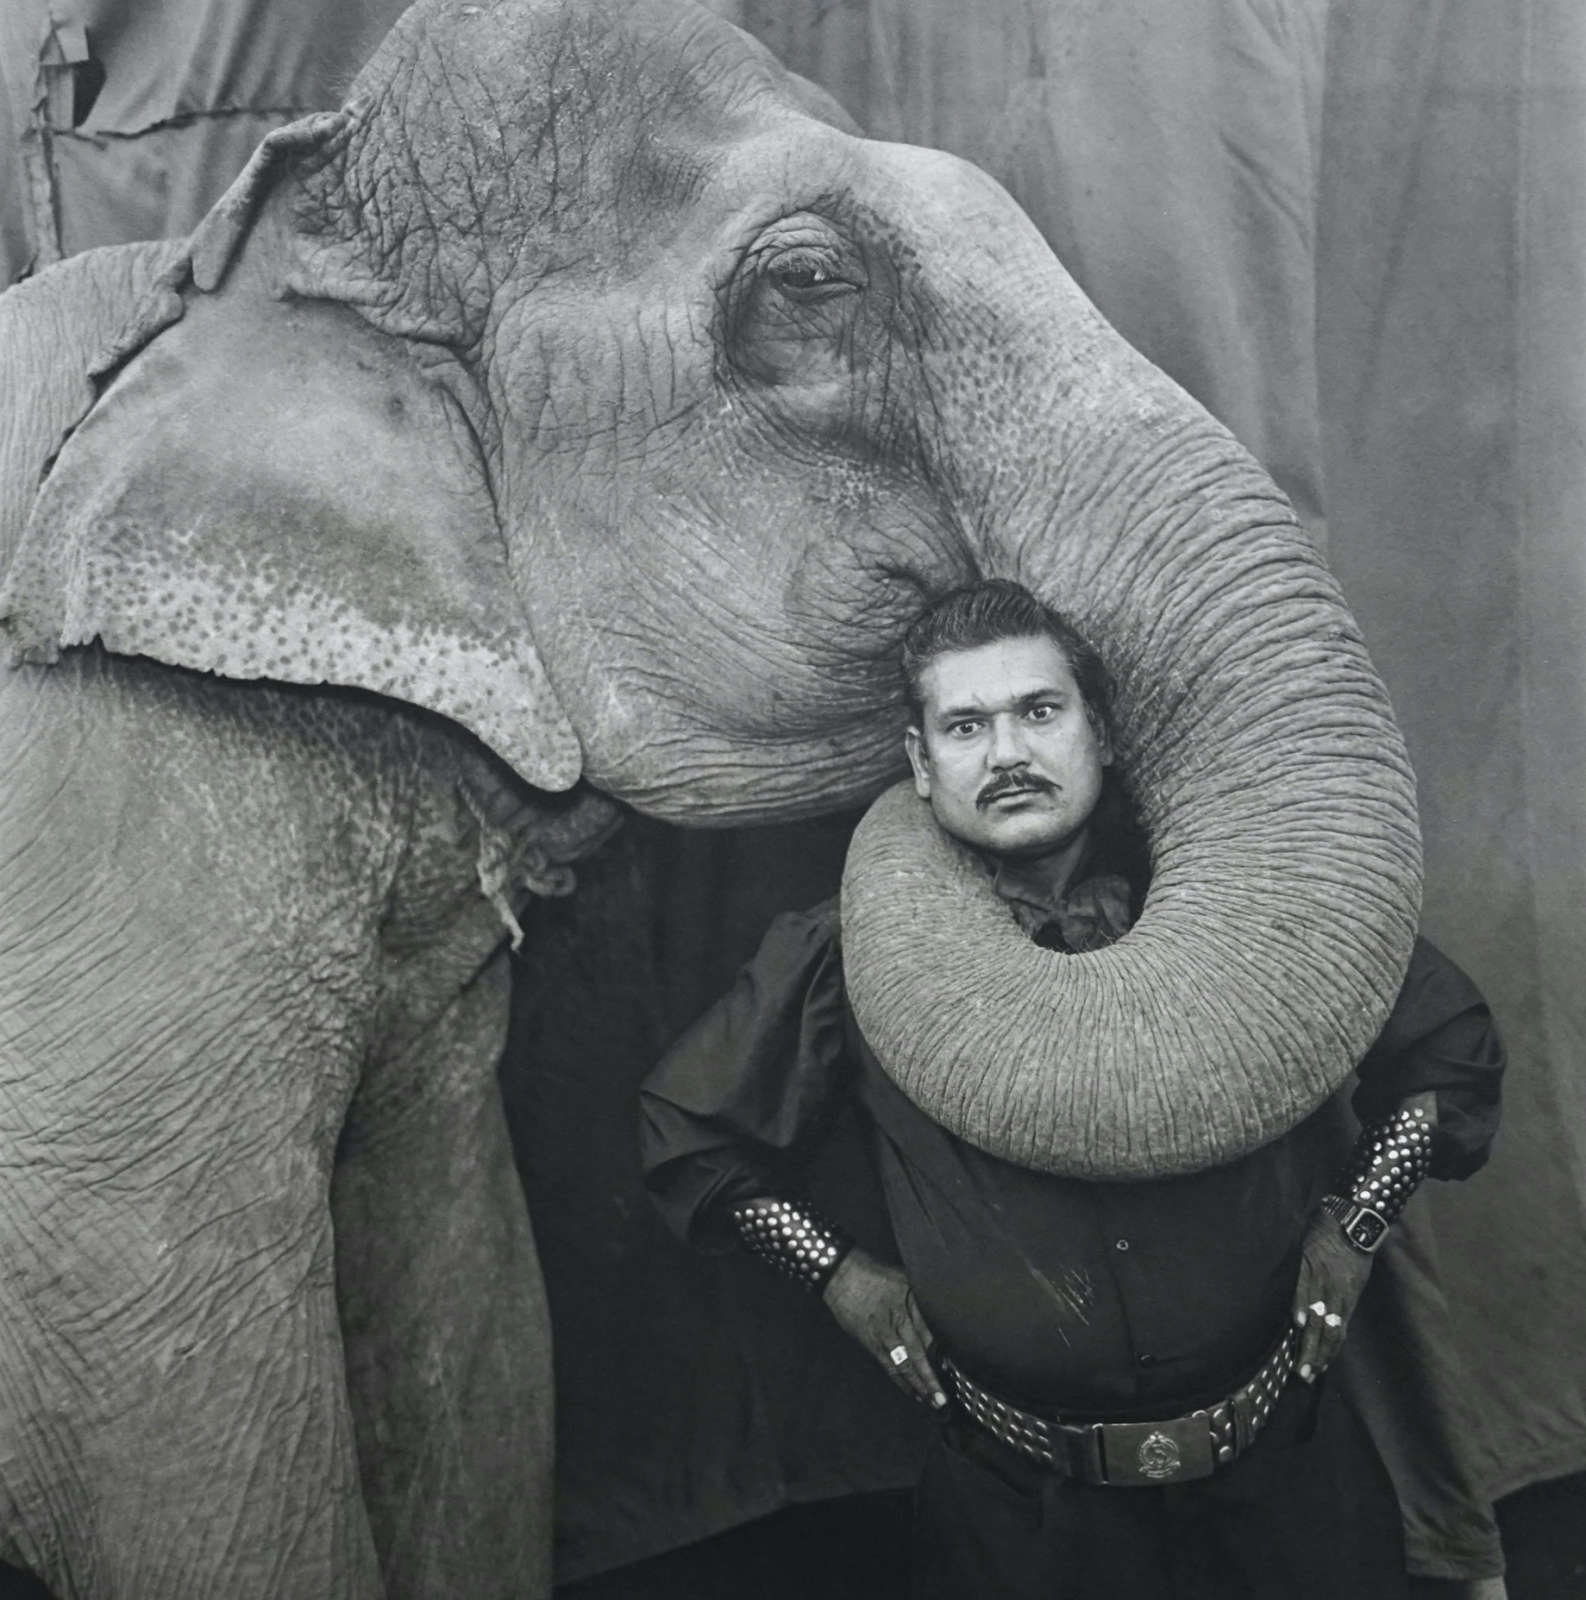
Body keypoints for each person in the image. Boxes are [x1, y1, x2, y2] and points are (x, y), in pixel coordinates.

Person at [639, 579, 1505, 1599]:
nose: (1005, 753)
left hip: (1285, 1489)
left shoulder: (1248, 896)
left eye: (1037, 712)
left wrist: (1355, 1223)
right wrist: (837, 1273)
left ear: (1099, 732)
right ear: (920, 766)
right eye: (964, 726)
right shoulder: (857, 950)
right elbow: (686, 1134)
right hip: (1021, 1524)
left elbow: (1445, 1049)